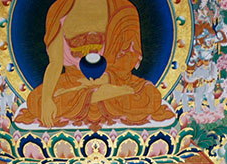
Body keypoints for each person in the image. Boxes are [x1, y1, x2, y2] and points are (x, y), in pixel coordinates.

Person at [13, 0, 175, 129]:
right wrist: (47, 99)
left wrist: (106, 79)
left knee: (149, 96)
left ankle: (93, 95)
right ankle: (99, 95)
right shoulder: (58, 10)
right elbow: (55, 64)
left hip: (114, 80)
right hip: (73, 82)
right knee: (37, 100)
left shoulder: (124, 9)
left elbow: (128, 57)